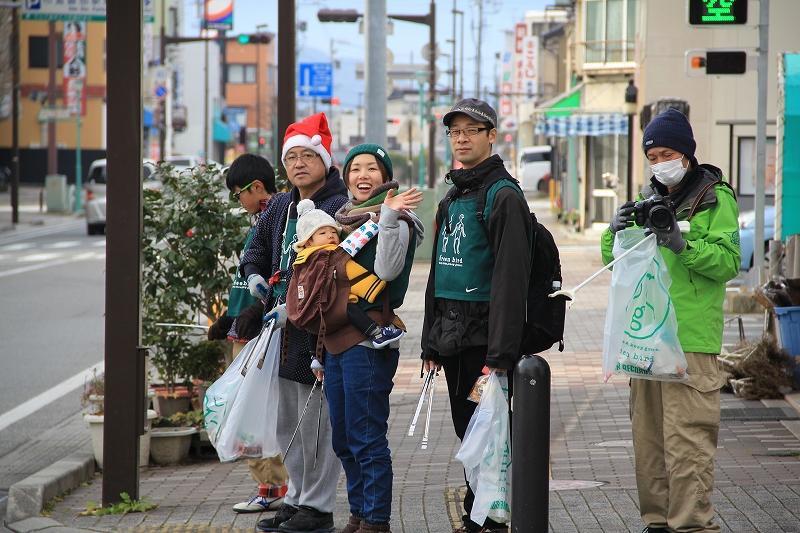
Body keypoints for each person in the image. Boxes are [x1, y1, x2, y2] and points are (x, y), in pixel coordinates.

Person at [601, 108, 740, 533]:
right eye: (652, 156)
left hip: (691, 341)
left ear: (686, 153)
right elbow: (616, 262)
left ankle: (691, 526)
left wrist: (682, 245)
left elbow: (729, 261)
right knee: (649, 447)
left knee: (687, 446)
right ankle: (657, 523)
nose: (660, 163)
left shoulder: (714, 197)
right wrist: (613, 231)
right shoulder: (649, 199)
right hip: (647, 339)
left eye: (667, 154)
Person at [420, 99, 531, 533]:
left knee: (490, 432)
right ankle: (478, 514)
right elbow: (438, 273)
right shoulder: (453, 196)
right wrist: (430, 342)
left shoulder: (503, 195)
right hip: (452, 338)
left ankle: (489, 519)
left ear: (491, 136)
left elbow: (511, 280)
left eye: (472, 130)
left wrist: (500, 354)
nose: (462, 138)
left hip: (485, 341)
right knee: (468, 429)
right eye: (455, 131)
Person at [239, 113, 348, 533]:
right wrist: (254, 276)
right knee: (288, 424)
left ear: (325, 159)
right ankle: (298, 498)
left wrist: (293, 305)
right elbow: (254, 250)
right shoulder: (281, 206)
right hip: (279, 333)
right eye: (291, 158)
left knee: (317, 424)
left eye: (308, 156)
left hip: (319, 333)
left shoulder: (339, 207)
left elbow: (332, 273)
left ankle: (318, 509)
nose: (299, 164)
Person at [314, 144, 423, 533]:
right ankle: (359, 512)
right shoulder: (341, 221)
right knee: (344, 439)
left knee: (366, 436)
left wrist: (389, 217)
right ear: (346, 178)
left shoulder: (399, 220)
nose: (363, 175)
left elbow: (388, 271)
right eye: (355, 168)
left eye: (372, 168)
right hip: (334, 340)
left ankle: (376, 521)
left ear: (385, 177)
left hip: (369, 341)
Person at [206, 153, 288, 514]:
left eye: (238, 193)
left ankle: (274, 487)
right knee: (250, 413)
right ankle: (271, 485)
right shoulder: (261, 221)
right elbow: (246, 282)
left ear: (256, 188)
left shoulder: (278, 218)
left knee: (255, 414)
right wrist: (228, 319)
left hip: (261, 333)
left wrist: (250, 316)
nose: (238, 201)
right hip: (245, 331)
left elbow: (278, 280)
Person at [290, 198, 407, 350]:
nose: (330, 236)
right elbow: (352, 267)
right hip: (334, 302)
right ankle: (377, 334)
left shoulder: (301, 261)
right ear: (308, 242)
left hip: (313, 308)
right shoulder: (329, 254)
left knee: (317, 327)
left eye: (333, 231)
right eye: (323, 233)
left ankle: (314, 355)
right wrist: (374, 287)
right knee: (350, 309)